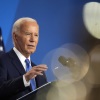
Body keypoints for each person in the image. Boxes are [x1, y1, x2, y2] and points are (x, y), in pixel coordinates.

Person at [0, 17, 48, 100]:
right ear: (15, 36)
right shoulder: (3, 60)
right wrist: (25, 78)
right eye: (28, 34)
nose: (33, 40)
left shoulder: (39, 72)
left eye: (36, 35)